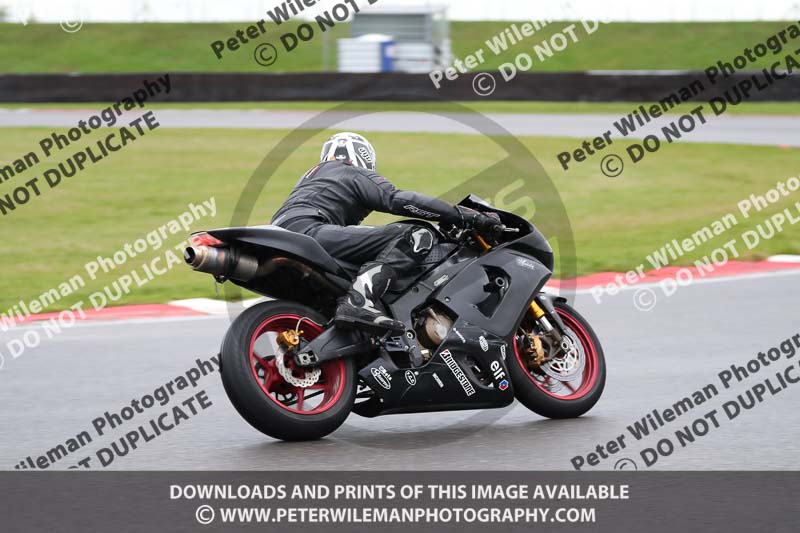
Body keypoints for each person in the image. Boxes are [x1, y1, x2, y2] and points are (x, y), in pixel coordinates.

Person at [271, 132, 500, 335]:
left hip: (285, 235)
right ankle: (360, 300)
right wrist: (465, 216)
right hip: (310, 231)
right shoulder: (350, 171)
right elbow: (397, 199)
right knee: (418, 235)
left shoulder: (312, 178)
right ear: (362, 156)